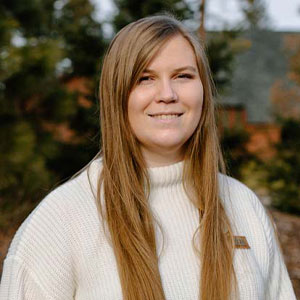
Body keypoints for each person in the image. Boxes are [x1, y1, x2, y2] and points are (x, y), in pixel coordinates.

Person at [0, 15, 296, 300]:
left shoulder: (243, 207)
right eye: (145, 78)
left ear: (203, 90)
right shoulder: (60, 221)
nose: (167, 94)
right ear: (117, 94)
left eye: (182, 76)